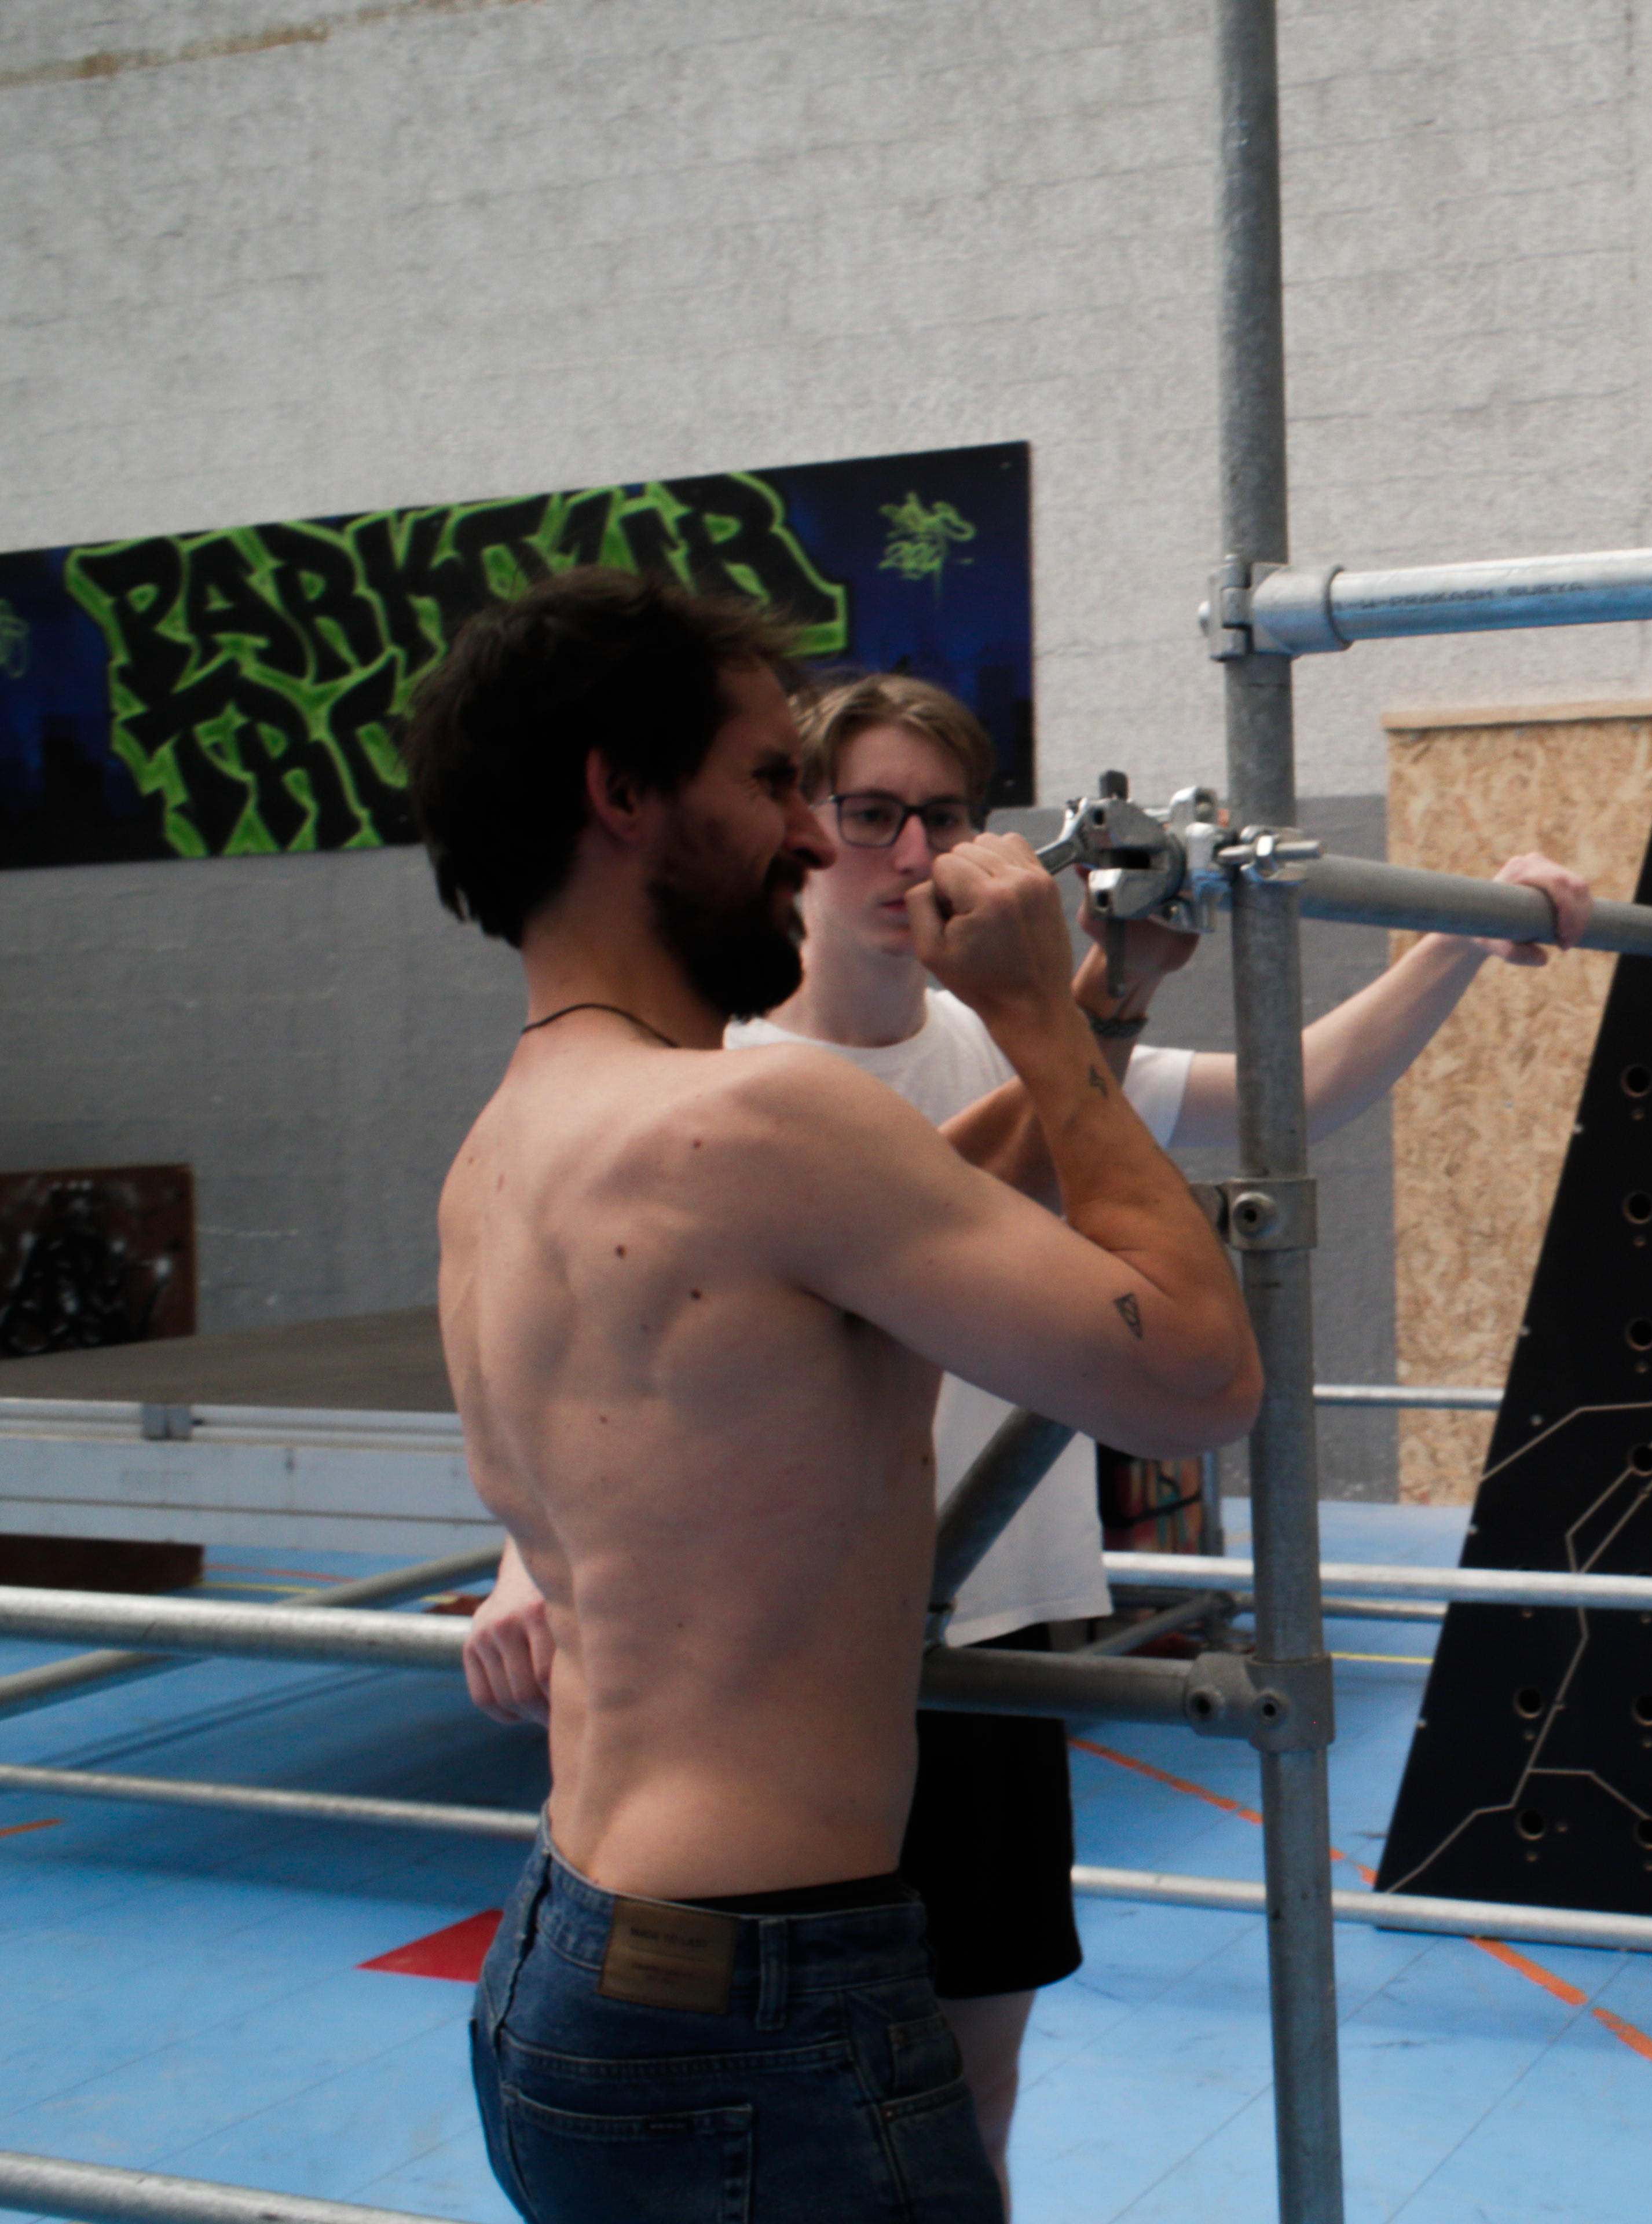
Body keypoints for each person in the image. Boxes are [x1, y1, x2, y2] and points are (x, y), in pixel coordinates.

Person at [462, 666, 1592, 2205]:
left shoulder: (562, 1104)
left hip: (730, 1823)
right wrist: (537, 1562)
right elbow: (1200, 1379)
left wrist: (1140, 997)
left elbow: (943, 1197)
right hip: (763, 1887)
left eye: (943, 818)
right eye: (837, 807)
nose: (892, 853)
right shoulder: (746, 1095)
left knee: (970, 2091)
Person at [413, 568, 1260, 2224]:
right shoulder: (758, 1129)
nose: (812, 836)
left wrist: (1100, 1001)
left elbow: (900, 1219)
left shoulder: (508, 1144)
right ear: (622, 793)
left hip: (577, 1954)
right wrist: (1030, 1012)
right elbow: (1197, 1376)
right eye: (769, 781)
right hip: (760, 1999)